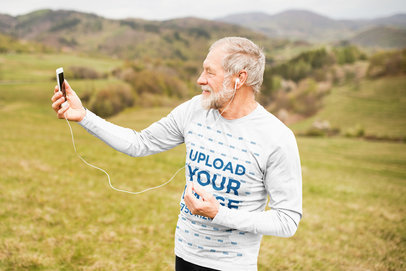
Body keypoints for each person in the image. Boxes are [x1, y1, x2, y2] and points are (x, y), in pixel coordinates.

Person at [51, 37, 302, 271]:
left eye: (209, 72)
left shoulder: (277, 138)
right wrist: (84, 116)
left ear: (239, 78)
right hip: (184, 255)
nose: (200, 79)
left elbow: (287, 221)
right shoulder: (194, 110)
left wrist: (219, 214)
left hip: (231, 266)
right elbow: (140, 143)